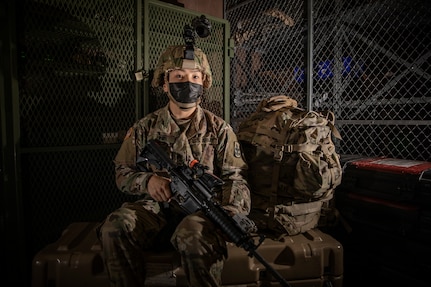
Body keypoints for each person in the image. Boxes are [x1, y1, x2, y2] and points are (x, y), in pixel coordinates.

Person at [97, 44, 251, 287]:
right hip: (154, 209)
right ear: (165, 83)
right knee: (115, 227)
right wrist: (148, 182)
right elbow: (122, 172)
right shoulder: (144, 128)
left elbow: (237, 178)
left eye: (195, 77)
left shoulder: (219, 129)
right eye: (179, 76)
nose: (188, 83)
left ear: (203, 84)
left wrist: (231, 211)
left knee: (194, 233)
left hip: (201, 211)